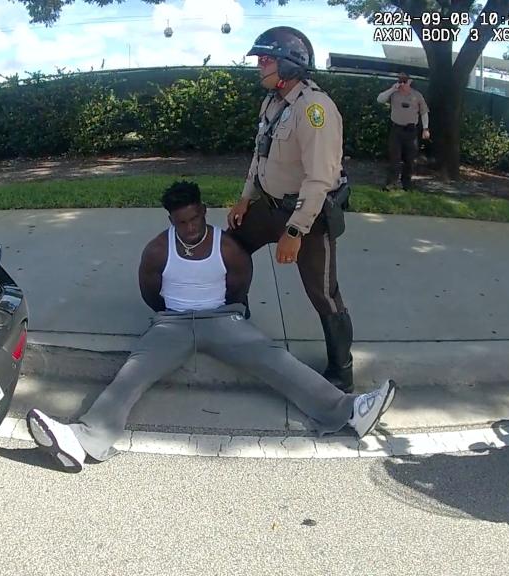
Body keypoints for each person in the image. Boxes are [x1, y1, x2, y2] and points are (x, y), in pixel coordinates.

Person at [25, 181, 396, 472]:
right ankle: (82, 439)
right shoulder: (156, 250)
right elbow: (150, 294)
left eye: (194, 219)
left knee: (275, 359)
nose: (188, 228)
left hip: (221, 319)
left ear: (203, 211)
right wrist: (172, 315)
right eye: (180, 222)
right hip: (171, 323)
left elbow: (239, 287)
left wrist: (225, 315)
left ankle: (349, 411)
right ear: (171, 221)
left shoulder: (228, 247)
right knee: (130, 376)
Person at [226, 26, 357, 393]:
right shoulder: (272, 102)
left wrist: (294, 232)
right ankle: (235, 319)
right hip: (268, 205)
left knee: (324, 294)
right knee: (229, 247)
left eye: (265, 60)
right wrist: (244, 197)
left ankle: (341, 371)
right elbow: (260, 154)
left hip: (309, 218)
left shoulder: (316, 110)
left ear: (287, 64)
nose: (259, 66)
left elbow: (319, 181)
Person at [377, 72, 430, 190]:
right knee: (394, 158)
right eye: (400, 81)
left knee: (410, 160)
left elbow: (424, 112)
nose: (402, 84)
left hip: (411, 131)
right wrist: (392, 89)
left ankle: (407, 184)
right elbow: (380, 99)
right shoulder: (394, 94)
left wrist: (425, 128)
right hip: (396, 130)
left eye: (404, 81)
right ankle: (391, 183)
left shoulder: (417, 95)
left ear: (410, 82)